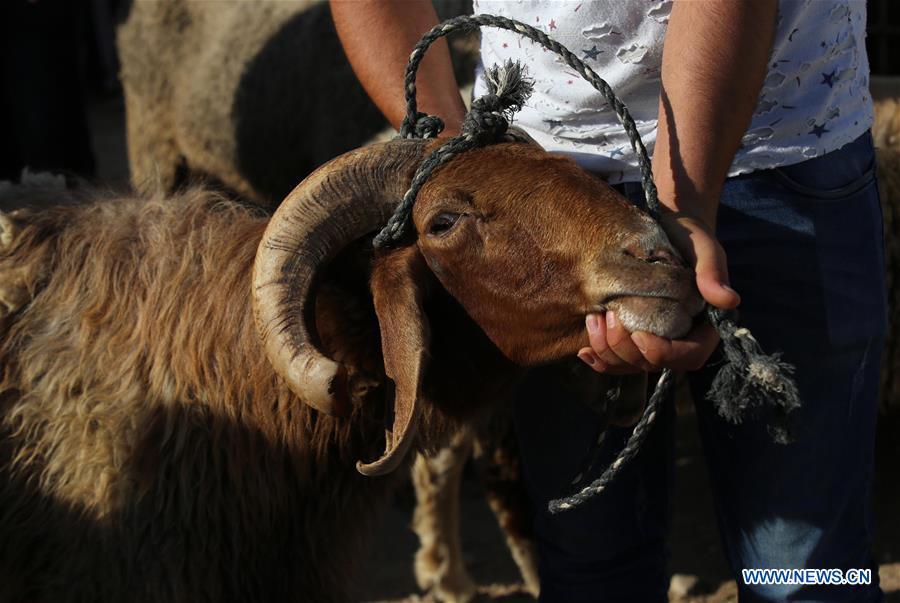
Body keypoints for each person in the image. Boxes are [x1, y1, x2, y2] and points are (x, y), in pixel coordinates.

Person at [331, 1, 886, 601]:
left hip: (771, 147)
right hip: (533, 183)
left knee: (805, 568)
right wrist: (456, 162)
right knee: (589, 564)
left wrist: (683, 208)